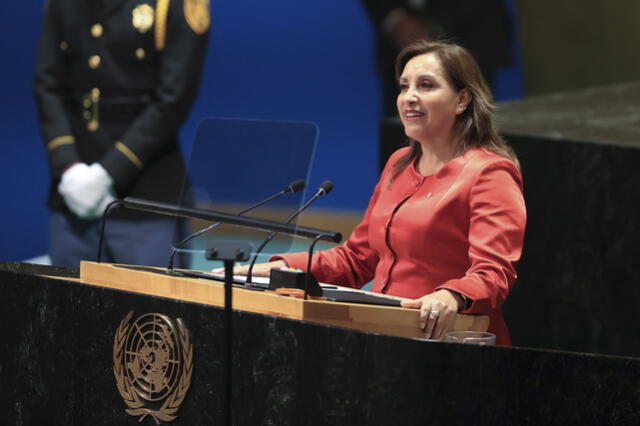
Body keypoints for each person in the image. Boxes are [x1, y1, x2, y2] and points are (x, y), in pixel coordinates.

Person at [229, 41, 526, 345]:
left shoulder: (489, 172)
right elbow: (357, 259)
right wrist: (282, 268)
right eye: (404, 86)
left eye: (426, 86)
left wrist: (450, 295)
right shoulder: (398, 163)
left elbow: (494, 272)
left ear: (462, 99)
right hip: (384, 335)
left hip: (453, 340)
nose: (409, 97)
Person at [34, 0, 209, 267]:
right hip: (72, 191)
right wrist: (68, 166)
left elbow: (172, 100)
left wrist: (106, 175)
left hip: (145, 199)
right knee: (64, 305)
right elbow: (47, 84)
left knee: (148, 308)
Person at [360, 0, 513, 115]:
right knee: (406, 140)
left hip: (474, 33)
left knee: (470, 128)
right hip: (400, 47)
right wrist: (395, 19)